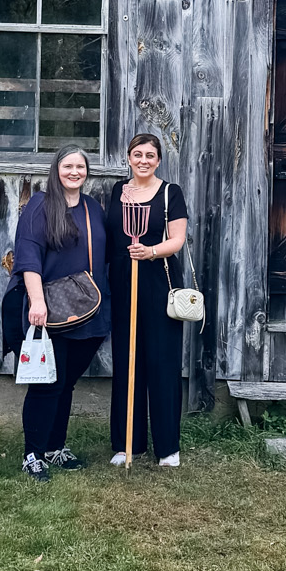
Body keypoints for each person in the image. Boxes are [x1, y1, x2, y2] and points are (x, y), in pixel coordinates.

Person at [11, 146, 110, 482]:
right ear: (57, 169)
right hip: (51, 309)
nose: (74, 171)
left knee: (66, 383)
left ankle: (54, 447)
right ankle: (32, 454)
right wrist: (37, 302)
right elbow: (28, 255)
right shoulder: (41, 205)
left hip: (91, 309)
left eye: (80, 166)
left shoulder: (93, 208)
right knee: (47, 384)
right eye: (68, 165)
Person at [105, 132, 189, 469]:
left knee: (162, 361)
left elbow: (178, 239)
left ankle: (167, 447)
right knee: (128, 360)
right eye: (137, 154)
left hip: (159, 282)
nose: (143, 160)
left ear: (158, 160)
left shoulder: (170, 193)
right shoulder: (117, 192)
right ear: (128, 157)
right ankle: (128, 443)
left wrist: (150, 251)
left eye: (150, 155)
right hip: (124, 282)